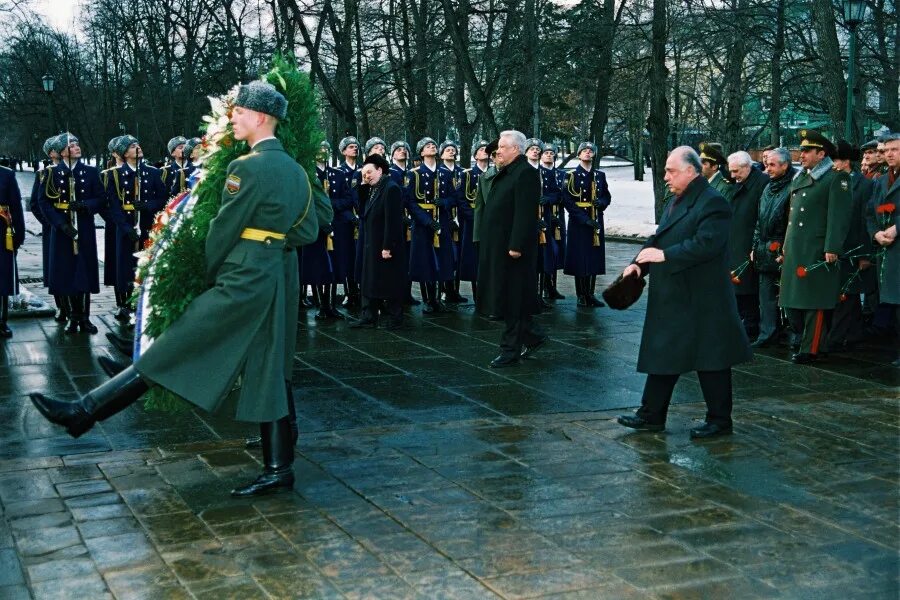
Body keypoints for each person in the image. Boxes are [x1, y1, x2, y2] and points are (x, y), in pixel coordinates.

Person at [30, 80, 314, 497]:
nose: (232, 117)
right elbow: (306, 229)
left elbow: (221, 232)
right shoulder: (296, 170)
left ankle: (83, 412)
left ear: (259, 117)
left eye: (238, 112)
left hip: (241, 277)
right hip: (277, 277)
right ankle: (278, 468)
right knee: (270, 368)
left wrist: (209, 272)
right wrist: (270, 244)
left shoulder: (247, 167)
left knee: (177, 341)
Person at [617, 146, 751, 438]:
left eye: (671, 171)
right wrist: (637, 265)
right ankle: (651, 415)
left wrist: (665, 257)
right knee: (664, 354)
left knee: (712, 359)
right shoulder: (678, 200)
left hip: (704, 297)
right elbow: (658, 238)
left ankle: (719, 420)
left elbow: (707, 244)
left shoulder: (713, 203)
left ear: (691, 171)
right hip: (678, 295)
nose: (665, 176)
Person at [779, 130, 852, 364]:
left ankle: (811, 348)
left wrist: (832, 247)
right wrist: (785, 245)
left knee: (814, 302)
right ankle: (808, 342)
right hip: (796, 247)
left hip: (817, 247)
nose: (802, 154)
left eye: (807, 150)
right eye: (801, 150)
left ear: (821, 153)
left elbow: (838, 217)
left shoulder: (836, 178)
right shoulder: (800, 177)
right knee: (792, 302)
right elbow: (790, 216)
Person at [476, 130, 546, 367]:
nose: (498, 152)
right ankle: (533, 336)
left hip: (513, 250)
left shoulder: (525, 173)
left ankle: (510, 349)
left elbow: (525, 214)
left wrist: (516, 244)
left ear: (515, 149)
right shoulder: (506, 172)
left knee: (513, 299)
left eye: (502, 148)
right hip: (499, 246)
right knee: (510, 296)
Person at [36, 133, 104, 334]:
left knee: (85, 272)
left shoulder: (91, 172)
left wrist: (85, 205)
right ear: (62, 152)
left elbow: (101, 198)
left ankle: (85, 318)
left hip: (83, 227)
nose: (76, 147)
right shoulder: (51, 173)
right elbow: (43, 203)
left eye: (77, 144)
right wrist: (60, 224)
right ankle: (72, 317)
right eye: (71, 145)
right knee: (66, 273)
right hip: (63, 230)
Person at [105, 135, 167, 321]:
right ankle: (125, 304)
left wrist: (147, 206)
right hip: (125, 228)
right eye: (132, 146)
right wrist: (126, 228)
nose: (137, 148)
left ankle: (144, 300)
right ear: (124, 153)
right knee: (125, 266)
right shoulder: (114, 175)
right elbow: (113, 205)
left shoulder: (153, 173)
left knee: (146, 265)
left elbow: (163, 199)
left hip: (148, 226)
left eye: (138, 144)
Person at [828, 140, 876, 351]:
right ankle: (854, 333)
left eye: (835, 160)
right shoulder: (834, 181)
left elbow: (867, 220)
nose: (832, 165)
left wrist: (865, 254)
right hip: (839, 247)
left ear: (846, 161)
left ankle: (836, 338)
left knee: (847, 293)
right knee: (848, 293)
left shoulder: (864, 185)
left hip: (855, 248)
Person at [350, 154, 408, 329]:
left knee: (389, 282)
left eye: (369, 172)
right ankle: (368, 316)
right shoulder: (371, 188)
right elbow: (362, 213)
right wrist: (361, 189)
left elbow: (393, 221)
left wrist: (387, 246)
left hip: (385, 245)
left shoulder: (391, 188)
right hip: (371, 243)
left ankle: (395, 318)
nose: (366, 176)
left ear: (380, 170)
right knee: (369, 280)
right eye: (363, 174)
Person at [750, 147, 796, 347]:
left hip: (781, 249)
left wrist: (785, 249)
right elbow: (759, 221)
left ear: (785, 165)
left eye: (772, 165)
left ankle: (792, 333)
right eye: (766, 164)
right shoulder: (768, 187)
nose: (767, 168)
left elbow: (791, 223)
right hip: (764, 248)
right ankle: (767, 333)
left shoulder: (792, 187)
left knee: (787, 295)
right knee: (766, 295)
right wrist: (755, 246)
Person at [562, 141, 611, 307]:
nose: (588, 153)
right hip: (579, 221)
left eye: (591, 151)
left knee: (593, 257)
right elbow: (567, 200)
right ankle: (581, 294)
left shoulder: (599, 175)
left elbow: (607, 196)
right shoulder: (571, 175)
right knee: (580, 257)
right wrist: (584, 219)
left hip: (596, 217)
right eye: (584, 151)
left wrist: (601, 202)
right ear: (579, 155)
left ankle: (590, 293)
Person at [727, 150, 769, 339]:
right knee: (739, 283)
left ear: (747, 167)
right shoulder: (742, 183)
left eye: (736, 171)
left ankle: (751, 323)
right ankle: (745, 320)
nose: (733, 176)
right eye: (731, 171)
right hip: (737, 240)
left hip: (749, 241)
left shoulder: (761, 183)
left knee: (748, 286)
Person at [406, 137, 452, 313]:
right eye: (427, 146)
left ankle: (437, 297)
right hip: (423, 224)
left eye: (434, 145)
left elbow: (454, 196)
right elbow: (409, 202)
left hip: (441, 219)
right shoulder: (414, 174)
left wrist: (445, 202)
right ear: (421, 152)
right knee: (425, 261)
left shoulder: (445, 173)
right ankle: (427, 299)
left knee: (441, 259)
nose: (432, 147)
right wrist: (427, 221)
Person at [866, 132, 899, 366]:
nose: (889, 154)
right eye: (886, 150)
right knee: (893, 303)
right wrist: (875, 233)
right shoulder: (879, 181)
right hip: (886, 249)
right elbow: (870, 213)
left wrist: (898, 228)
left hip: (897, 244)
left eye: (895, 150)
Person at [31, 137, 66, 322]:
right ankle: (61, 306)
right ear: (52, 153)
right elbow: (36, 204)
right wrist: (51, 223)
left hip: (74, 226)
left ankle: (79, 311)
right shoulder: (44, 173)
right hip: (53, 228)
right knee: (55, 268)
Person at [309, 141, 341, 320]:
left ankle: (331, 305)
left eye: (326, 149)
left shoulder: (336, 173)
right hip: (316, 227)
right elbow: (308, 202)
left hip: (334, 225)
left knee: (333, 266)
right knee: (317, 267)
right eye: (319, 149)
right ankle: (321, 305)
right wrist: (322, 222)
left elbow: (346, 199)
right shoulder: (308, 174)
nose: (323, 152)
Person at [458, 140, 489, 302]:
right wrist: (473, 217)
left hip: (491, 222)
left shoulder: (494, 172)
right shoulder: (467, 174)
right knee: (474, 257)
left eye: (486, 150)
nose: (485, 152)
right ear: (475, 155)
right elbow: (462, 199)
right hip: (472, 222)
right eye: (481, 150)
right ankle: (477, 293)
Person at [0, 163, 25, 337]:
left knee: (2, 277)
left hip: (1, 233)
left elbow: (15, 206)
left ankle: (1, 321)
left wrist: (19, 234)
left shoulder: (6, 175)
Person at [539, 142, 566, 300]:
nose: (549, 155)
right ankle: (545, 285)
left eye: (551, 153)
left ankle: (552, 286)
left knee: (557, 252)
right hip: (544, 216)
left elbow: (564, 194)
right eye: (546, 153)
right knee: (548, 251)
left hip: (558, 217)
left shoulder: (561, 174)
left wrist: (551, 198)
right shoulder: (538, 173)